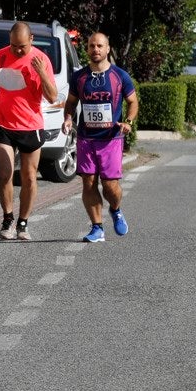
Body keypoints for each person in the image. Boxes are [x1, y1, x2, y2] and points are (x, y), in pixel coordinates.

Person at [62, 32, 139, 243]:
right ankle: (97, 228)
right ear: (86, 49)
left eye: (99, 46)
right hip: (86, 139)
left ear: (107, 49)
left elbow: (133, 102)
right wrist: (69, 118)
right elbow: (70, 103)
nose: (95, 49)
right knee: (88, 183)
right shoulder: (79, 77)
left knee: (110, 186)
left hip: (111, 139)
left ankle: (115, 209)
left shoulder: (120, 76)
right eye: (91, 46)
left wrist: (128, 123)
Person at [0, 22, 58, 241]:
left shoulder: (42, 60)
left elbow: (52, 97)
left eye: (21, 46)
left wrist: (41, 73)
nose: (17, 50)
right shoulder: (1, 56)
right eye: (13, 45)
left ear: (31, 39)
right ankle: (8, 219)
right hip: (2, 124)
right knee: (4, 174)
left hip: (30, 126)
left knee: (30, 177)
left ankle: (23, 222)